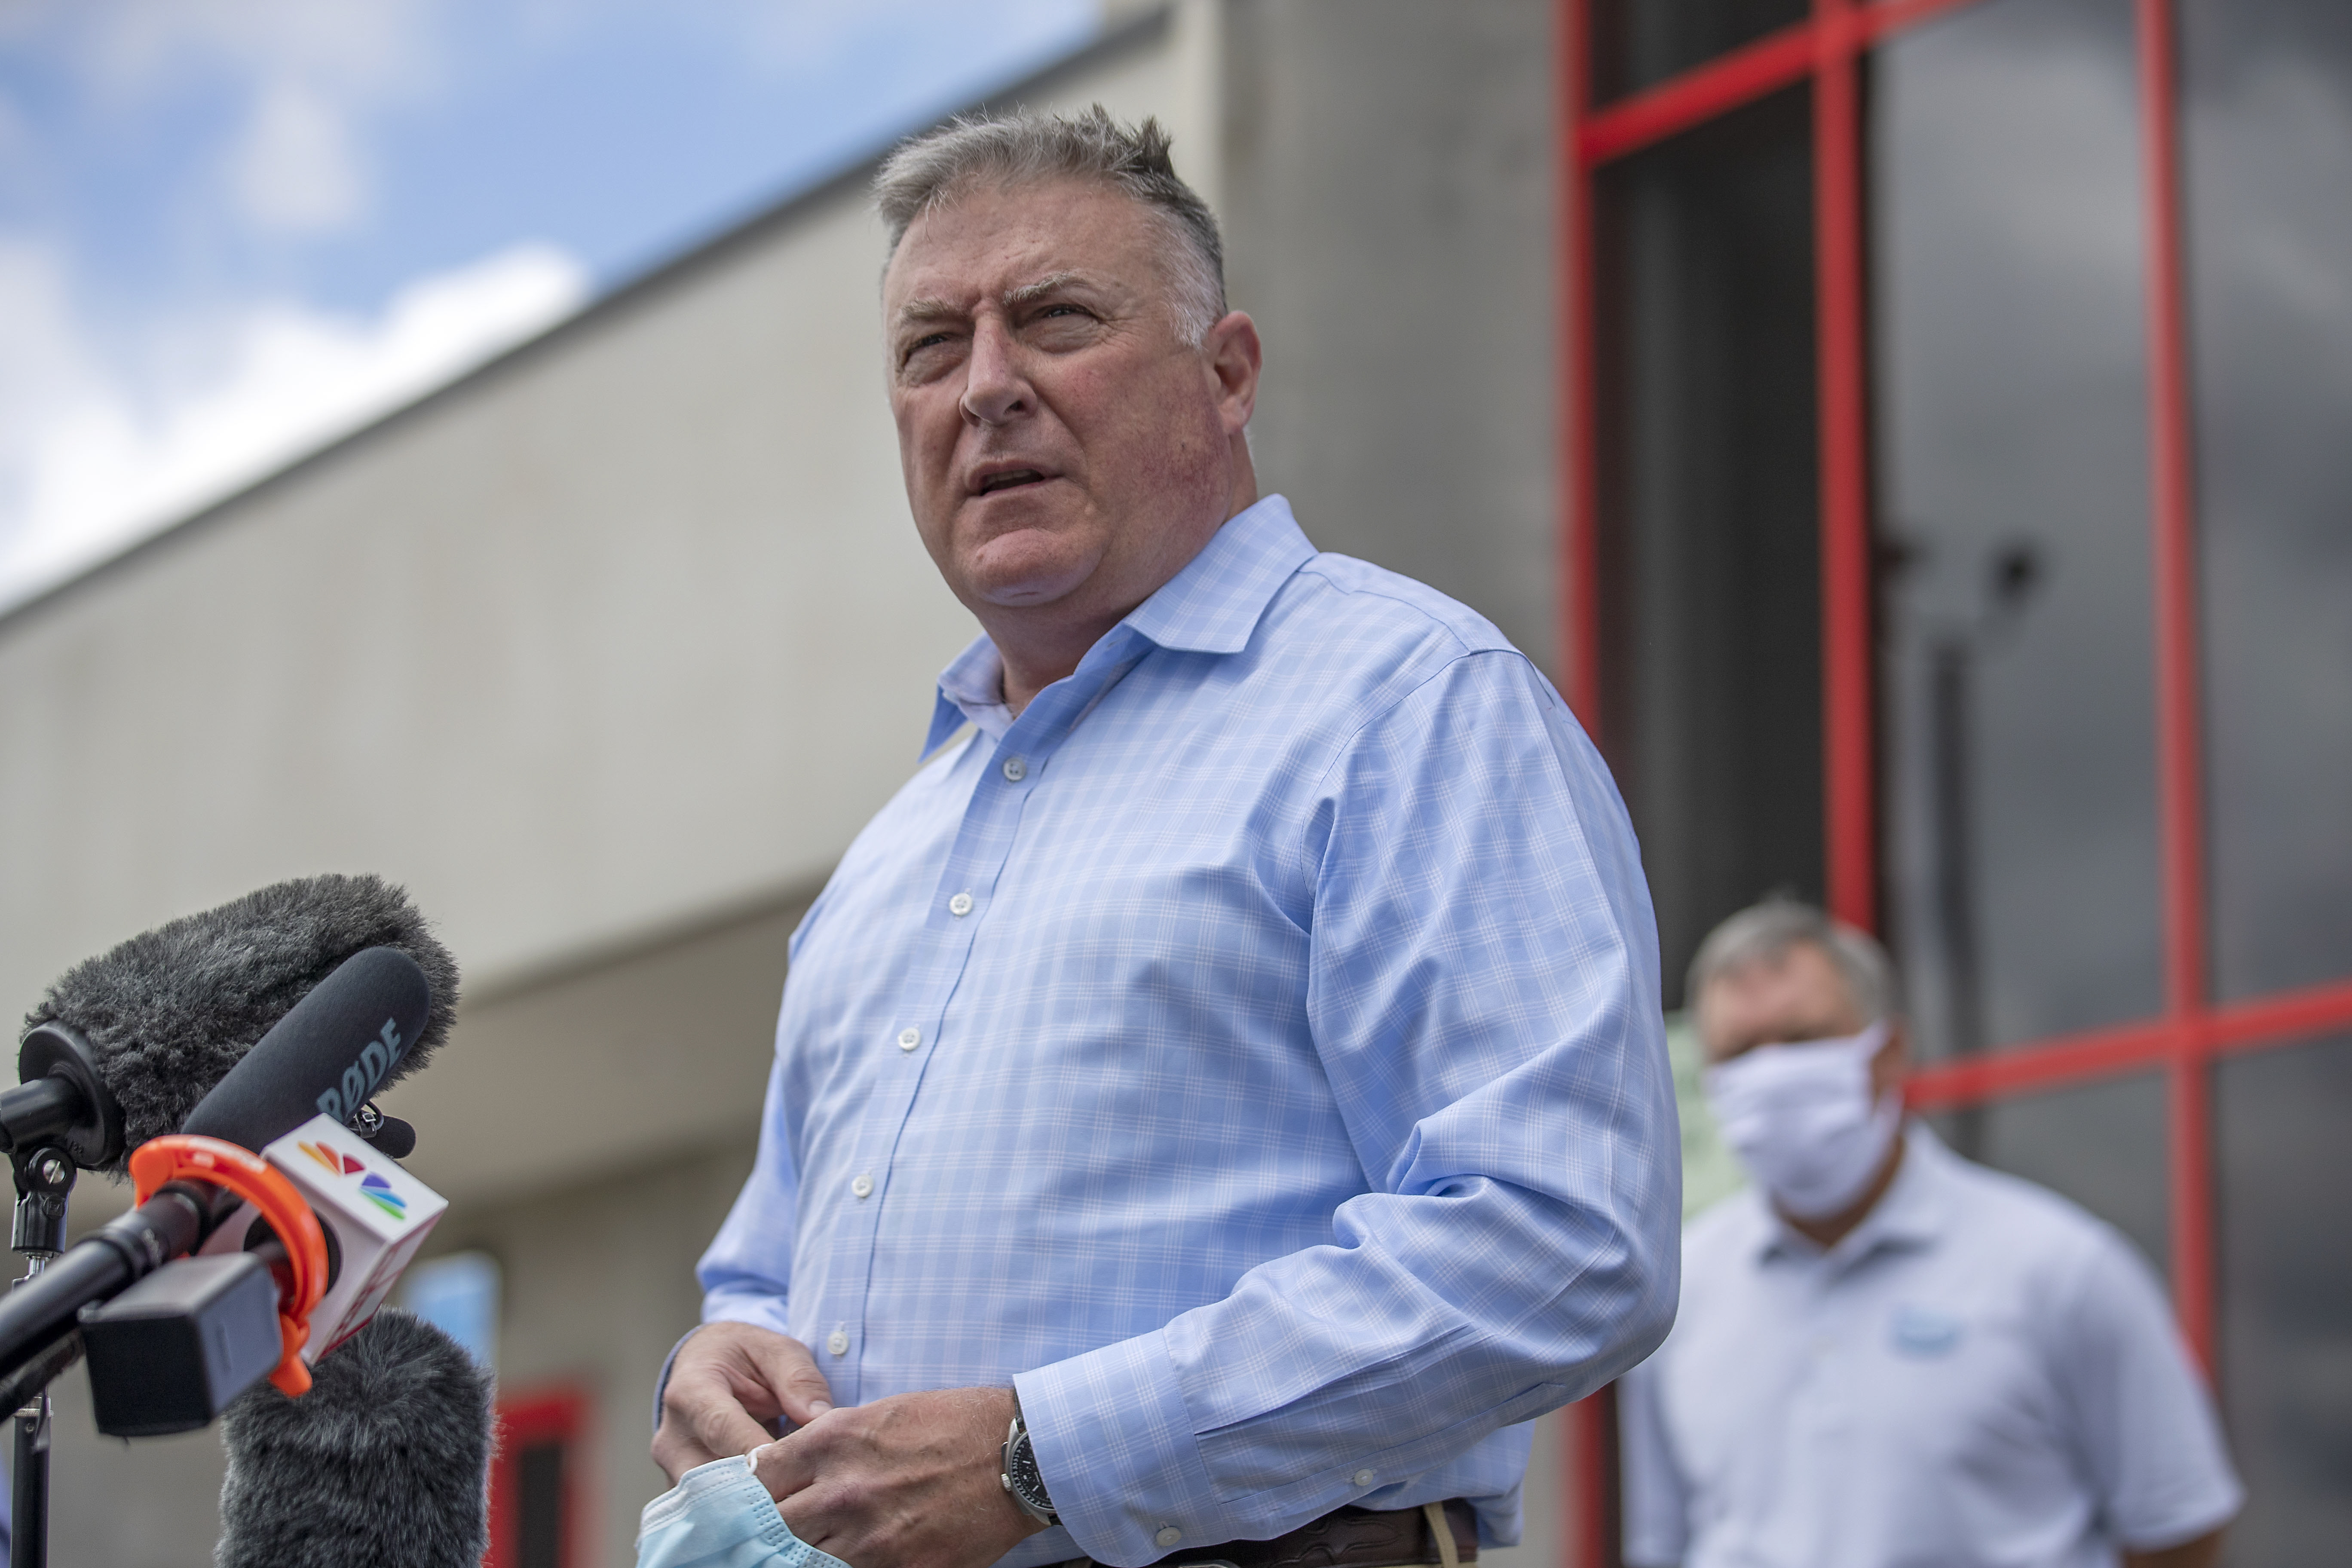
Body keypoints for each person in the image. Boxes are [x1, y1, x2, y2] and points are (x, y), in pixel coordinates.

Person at [649, 106, 1681, 1568]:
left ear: (1229, 374)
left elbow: (1567, 1233)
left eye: (1056, 320)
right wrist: (722, 1352)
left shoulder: (1405, 704)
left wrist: (1036, 1454)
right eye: (931, 348)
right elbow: (768, 1256)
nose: (987, 387)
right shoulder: (893, 847)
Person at [1620, 900, 2242, 1568]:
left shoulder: (2061, 1268)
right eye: (1740, 1051)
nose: (1771, 1075)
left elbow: (2176, 1528)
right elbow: (1666, 1541)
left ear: (1887, 1052)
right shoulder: (1676, 1292)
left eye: (1803, 1040)